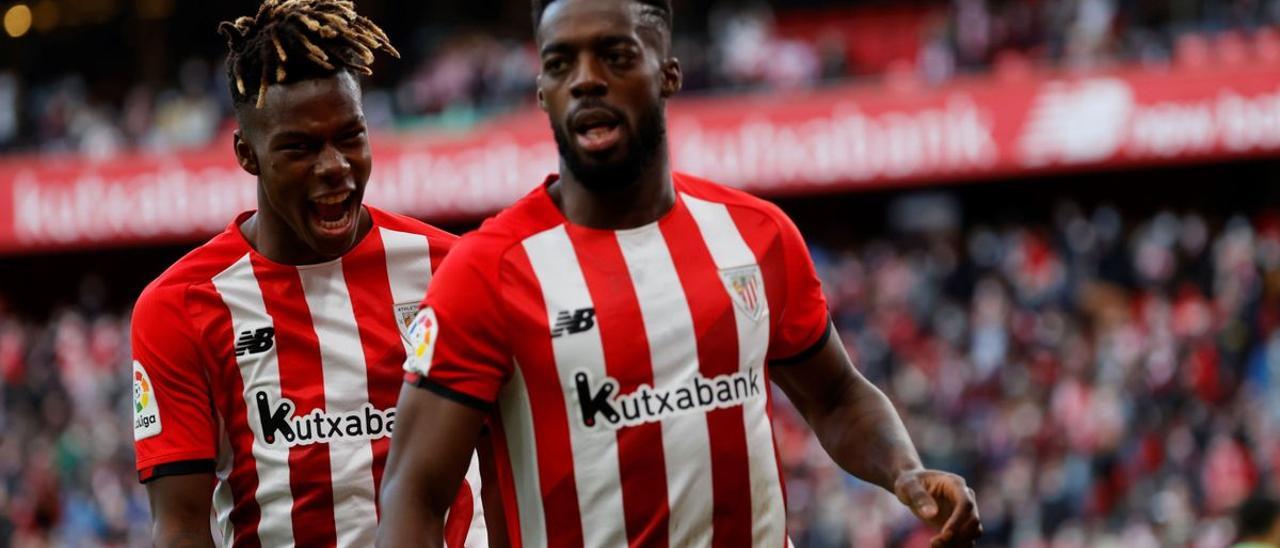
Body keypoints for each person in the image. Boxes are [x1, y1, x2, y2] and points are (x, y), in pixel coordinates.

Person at [378, 0, 982, 546]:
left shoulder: (755, 235)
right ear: (542, 90)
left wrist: (907, 471)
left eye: (615, 56)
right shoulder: (486, 272)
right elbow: (415, 493)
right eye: (561, 63)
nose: (587, 79)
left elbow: (837, 397)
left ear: (668, 71)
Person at [130, 1, 484, 546]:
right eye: (300, 147)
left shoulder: (452, 271)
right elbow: (179, 528)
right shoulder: (180, 306)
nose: (334, 166)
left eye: (350, 136)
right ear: (247, 154)